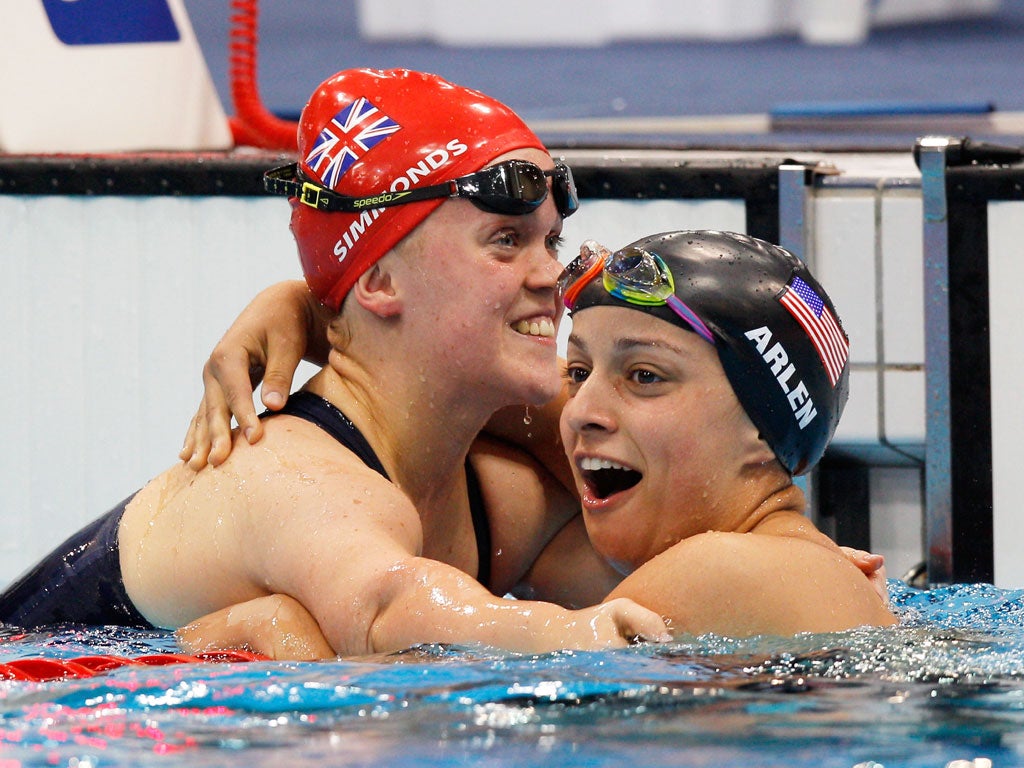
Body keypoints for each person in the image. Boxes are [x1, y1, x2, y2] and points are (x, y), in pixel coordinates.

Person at [0, 68, 671, 654]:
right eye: (505, 241)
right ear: (378, 282)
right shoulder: (292, 476)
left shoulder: (495, 500)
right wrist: (569, 634)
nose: (550, 274)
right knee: (284, 635)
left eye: (552, 241)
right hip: (42, 710)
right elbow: (384, 611)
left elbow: (670, 585)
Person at [175, 230, 895, 659]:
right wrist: (306, 307)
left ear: (763, 433)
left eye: (644, 376)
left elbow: (437, 734)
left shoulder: (723, 572)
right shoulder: (782, 568)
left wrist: (284, 648)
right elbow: (446, 394)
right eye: (577, 370)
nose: (581, 409)